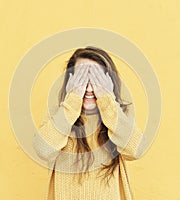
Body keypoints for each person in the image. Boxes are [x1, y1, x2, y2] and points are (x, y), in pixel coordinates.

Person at [33, 46, 144, 200]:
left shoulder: (118, 116)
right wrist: (72, 102)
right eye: (82, 78)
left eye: (97, 79)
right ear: (70, 82)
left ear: (109, 82)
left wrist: (107, 102)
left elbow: (136, 150)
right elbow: (43, 149)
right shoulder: (58, 116)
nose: (89, 88)